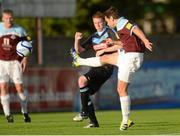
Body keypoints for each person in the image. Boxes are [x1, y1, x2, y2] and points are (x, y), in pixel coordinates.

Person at [72, 6, 153, 131]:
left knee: (121, 90)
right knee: (104, 64)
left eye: (104, 21)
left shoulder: (120, 24)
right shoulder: (107, 31)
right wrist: (77, 40)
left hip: (129, 58)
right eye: (96, 23)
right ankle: (79, 61)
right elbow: (124, 42)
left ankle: (125, 121)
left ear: (110, 19)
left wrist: (145, 40)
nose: (103, 24)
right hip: (126, 56)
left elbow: (133, 30)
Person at [71, 11, 118, 128]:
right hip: (97, 66)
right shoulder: (94, 36)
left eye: (100, 23)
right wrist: (76, 39)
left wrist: (105, 50)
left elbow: (120, 44)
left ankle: (84, 112)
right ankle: (93, 122)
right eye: (95, 23)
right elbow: (79, 50)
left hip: (107, 66)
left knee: (82, 80)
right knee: (85, 91)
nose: (97, 25)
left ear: (104, 22)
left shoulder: (110, 32)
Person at [0, 9, 31, 123]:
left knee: (19, 88)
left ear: (13, 18)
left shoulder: (20, 30)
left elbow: (28, 44)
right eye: (7, 18)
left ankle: (25, 112)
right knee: (3, 87)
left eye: (11, 18)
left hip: (15, 62)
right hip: (1, 62)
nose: (9, 20)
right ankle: (8, 115)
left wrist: (25, 58)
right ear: (3, 18)